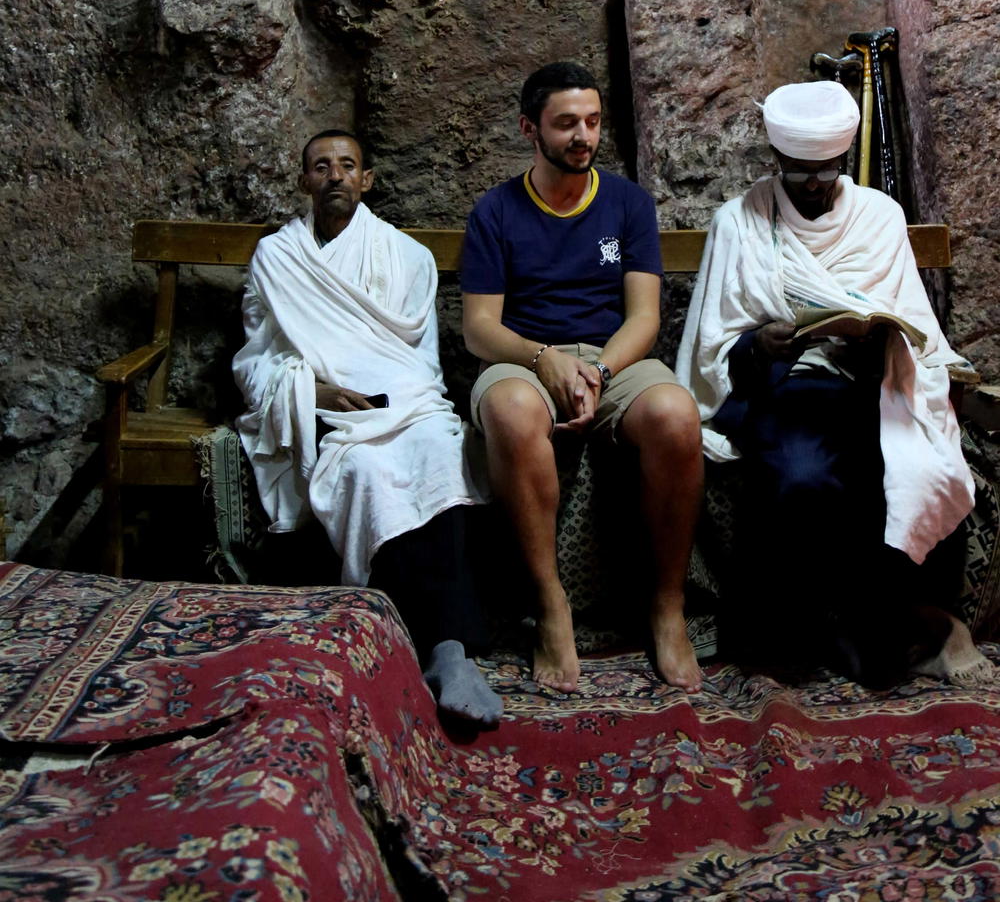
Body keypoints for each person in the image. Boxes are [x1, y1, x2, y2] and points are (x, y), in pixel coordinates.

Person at [676, 79, 984, 685]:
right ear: (777, 161)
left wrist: (873, 340)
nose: (815, 184)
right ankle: (838, 626)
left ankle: (913, 619)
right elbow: (715, 344)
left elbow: (912, 321)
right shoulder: (739, 221)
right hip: (782, 388)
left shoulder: (879, 216)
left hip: (871, 383)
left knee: (921, 465)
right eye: (799, 172)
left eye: (827, 170)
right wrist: (757, 343)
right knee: (803, 477)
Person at [234, 130, 502, 727]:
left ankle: (449, 650)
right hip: (329, 411)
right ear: (304, 181)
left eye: (347, 166)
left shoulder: (405, 256)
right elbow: (256, 358)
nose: (335, 175)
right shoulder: (278, 257)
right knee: (364, 468)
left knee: (440, 450)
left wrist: (397, 399)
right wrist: (312, 390)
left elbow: (417, 357)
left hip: (405, 400)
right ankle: (425, 641)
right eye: (321, 166)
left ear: (367, 180)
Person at [461, 62, 704, 695]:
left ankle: (667, 607)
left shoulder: (627, 204)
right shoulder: (496, 211)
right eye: (566, 123)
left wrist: (597, 369)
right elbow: (479, 329)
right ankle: (551, 606)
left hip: (612, 357)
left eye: (592, 122)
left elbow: (644, 317)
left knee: (677, 416)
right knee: (510, 411)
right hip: (524, 358)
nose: (583, 136)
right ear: (529, 128)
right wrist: (545, 359)